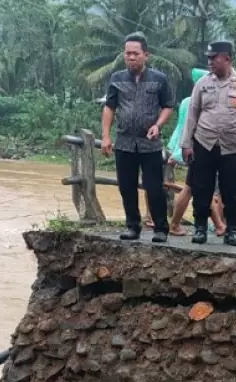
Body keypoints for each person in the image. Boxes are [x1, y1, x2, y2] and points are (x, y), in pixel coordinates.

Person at [181, 41, 236, 247]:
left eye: (214, 58)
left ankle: (232, 230)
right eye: (208, 58)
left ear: (227, 58)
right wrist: (186, 144)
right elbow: (192, 114)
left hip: (232, 146)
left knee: (232, 190)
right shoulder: (203, 84)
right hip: (204, 143)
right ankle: (200, 228)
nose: (210, 62)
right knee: (201, 187)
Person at [101, 33, 175, 243]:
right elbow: (109, 107)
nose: (131, 57)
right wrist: (105, 136)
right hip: (124, 142)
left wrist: (158, 125)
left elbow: (168, 106)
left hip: (150, 144)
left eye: (136, 53)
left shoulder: (159, 79)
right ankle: (132, 226)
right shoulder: (116, 79)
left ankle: (161, 228)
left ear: (146, 55)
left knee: (154, 187)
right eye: (128, 54)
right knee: (126, 187)